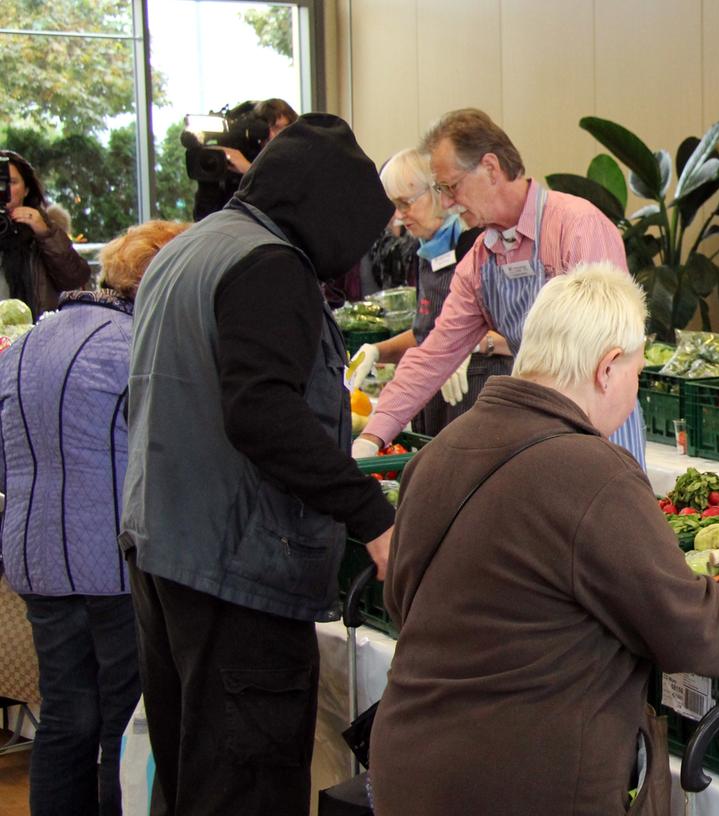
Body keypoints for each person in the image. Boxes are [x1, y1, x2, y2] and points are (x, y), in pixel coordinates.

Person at [368, 264, 719, 816]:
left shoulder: (440, 451)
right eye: (635, 373)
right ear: (607, 367)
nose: (635, 391)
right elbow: (695, 635)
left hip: (409, 767)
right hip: (523, 782)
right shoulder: (593, 472)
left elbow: (403, 602)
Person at [120, 113, 396, 815]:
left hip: (167, 550)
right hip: (236, 567)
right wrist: (373, 516)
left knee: (192, 774)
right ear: (328, 209)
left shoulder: (192, 248)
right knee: (245, 785)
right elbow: (262, 413)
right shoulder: (270, 266)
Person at [0, 219, 186, 816]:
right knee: (120, 722)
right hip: (114, 557)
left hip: (34, 556)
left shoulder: (28, 341)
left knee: (64, 715)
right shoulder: (135, 346)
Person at [352, 108, 646, 465]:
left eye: (451, 187)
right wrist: (373, 436)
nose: (446, 202)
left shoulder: (577, 227)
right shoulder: (481, 259)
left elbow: (600, 358)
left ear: (490, 168)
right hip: (538, 436)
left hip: (601, 441)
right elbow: (433, 354)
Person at [346, 147, 509, 434]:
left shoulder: (481, 248)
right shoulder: (426, 254)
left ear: (437, 192)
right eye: (395, 205)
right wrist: (377, 351)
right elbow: (426, 333)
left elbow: (523, 334)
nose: (399, 216)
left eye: (406, 203)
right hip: (434, 406)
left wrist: (473, 343)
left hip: (481, 403)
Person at [1, 149, 93, 316]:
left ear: (27, 189)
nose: (3, 190)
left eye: (12, 182)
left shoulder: (44, 227)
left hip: (37, 334)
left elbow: (75, 279)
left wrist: (45, 234)